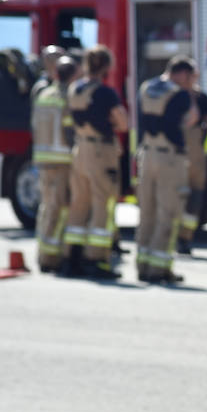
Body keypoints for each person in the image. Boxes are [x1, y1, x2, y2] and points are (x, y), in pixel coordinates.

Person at [63, 45, 129, 279]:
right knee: (103, 203)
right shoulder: (105, 93)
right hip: (101, 151)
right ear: (106, 67)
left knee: (79, 204)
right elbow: (123, 123)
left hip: (80, 149)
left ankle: (72, 258)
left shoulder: (74, 89)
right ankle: (96, 259)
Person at [134, 56, 198, 283]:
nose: (192, 82)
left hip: (147, 155)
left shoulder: (145, 88)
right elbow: (191, 119)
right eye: (191, 77)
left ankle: (142, 265)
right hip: (170, 158)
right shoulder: (179, 94)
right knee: (168, 213)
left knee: (147, 213)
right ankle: (159, 269)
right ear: (182, 74)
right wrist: (190, 93)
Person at [30, 55, 78, 272]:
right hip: (62, 160)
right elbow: (69, 130)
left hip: (43, 159)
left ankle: (44, 252)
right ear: (73, 76)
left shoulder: (43, 94)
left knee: (47, 207)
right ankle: (51, 257)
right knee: (60, 209)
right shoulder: (66, 96)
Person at [177, 71, 207, 254]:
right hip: (181, 154)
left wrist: (203, 148)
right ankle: (179, 237)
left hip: (188, 154)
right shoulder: (177, 96)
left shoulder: (201, 98)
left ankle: (185, 237)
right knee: (181, 196)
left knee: (193, 197)